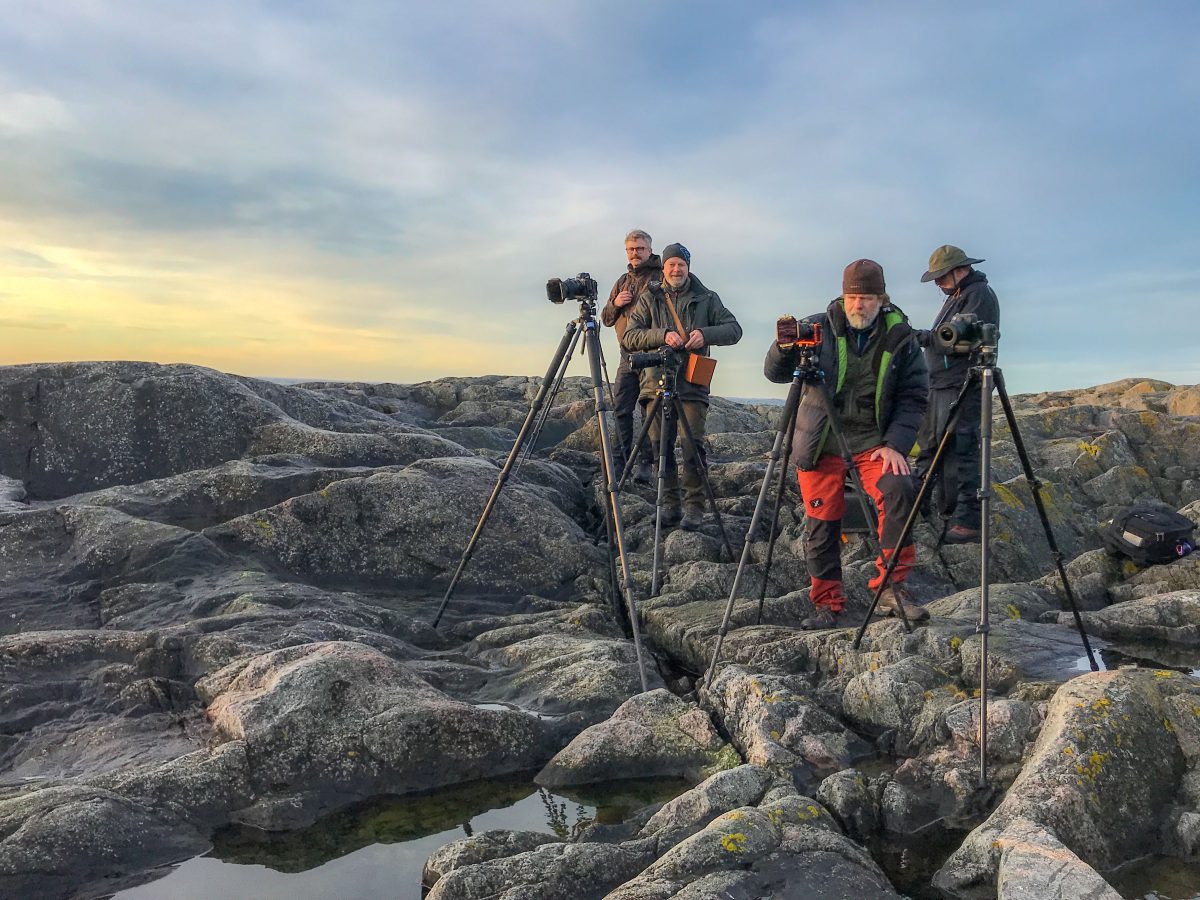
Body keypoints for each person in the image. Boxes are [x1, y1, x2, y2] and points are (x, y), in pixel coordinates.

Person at [764, 259, 929, 628]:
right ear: (843, 296)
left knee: (900, 488)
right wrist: (783, 347)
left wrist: (896, 444)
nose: (859, 305)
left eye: (867, 298)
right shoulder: (817, 327)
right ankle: (827, 603)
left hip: (874, 442)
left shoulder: (900, 336)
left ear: (882, 299)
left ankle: (891, 588)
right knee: (822, 523)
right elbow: (774, 373)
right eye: (852, 297)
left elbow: (915, 396)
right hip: (821, 442)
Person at [622, 242, 742, 530]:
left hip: (692, 384)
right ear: (663, 267)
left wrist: (705, 334)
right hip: (655, 381)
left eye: (681, 265)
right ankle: (670, 506)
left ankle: (695, 508)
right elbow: (630, 337)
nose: (676, 269)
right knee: (660, 447)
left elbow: (734, 330)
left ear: (688, 267)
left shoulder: (707, 298)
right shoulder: (649, 298)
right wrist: (662, 335)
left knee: (692, 447)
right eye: (671, 264)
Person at [915, 245, 1001, 544]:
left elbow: (954, 340)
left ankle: (968, 520)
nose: (938, 283)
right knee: (931, 445)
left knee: (962, 448)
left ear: (960, 270)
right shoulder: (959, 295)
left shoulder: (978, 295)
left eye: (941, 277)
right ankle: (920, 504)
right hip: (942, 383)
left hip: (962, 383)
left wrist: (920, 337)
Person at [601, 229, 662, 483]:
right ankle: (619, 462)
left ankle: (646, 463)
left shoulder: (661, 277)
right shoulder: (622, 281)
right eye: (630, 249)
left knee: (650, 411)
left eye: (639, 249)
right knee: (621, 409)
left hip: (652, 354)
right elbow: (606, 319)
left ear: (649, 250)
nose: (634, 253)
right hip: (626, 354)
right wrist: (616, 304)